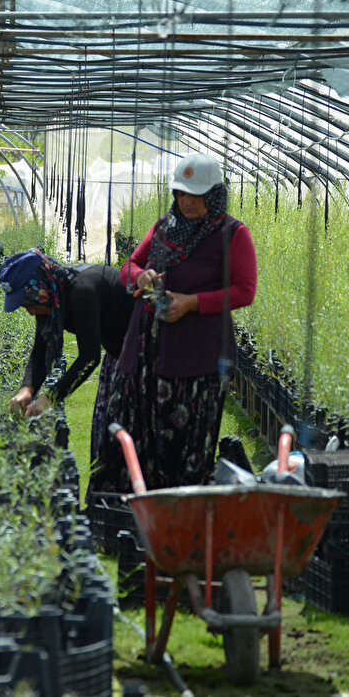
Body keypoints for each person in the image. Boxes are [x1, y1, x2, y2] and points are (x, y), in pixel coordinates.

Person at [91, 152, 258, 494]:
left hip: (198, 356)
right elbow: (129, 266)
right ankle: (131, 505)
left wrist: (192, 303)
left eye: (196, 195)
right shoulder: (164, 228)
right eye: (181, 194)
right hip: (146, 349)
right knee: (134, 426)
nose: (187, 202)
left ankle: (180, 510)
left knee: (187, 439)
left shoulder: (233, 234)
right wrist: (141, 277)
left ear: (214, 195)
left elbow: (245, 291)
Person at [0, 249, 135, 455]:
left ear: (40, 289)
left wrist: (50, 399)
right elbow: (40, 350)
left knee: (124, 431)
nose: (29, 311)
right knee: (106, 437)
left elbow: (89, 357)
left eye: (28, 303)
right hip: (119, 355)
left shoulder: (84, 291)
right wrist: (27, 390)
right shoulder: (52, 296)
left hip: (140, 358)